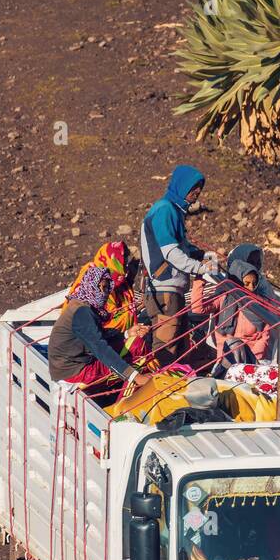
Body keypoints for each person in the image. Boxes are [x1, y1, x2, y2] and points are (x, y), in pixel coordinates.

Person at [139, 165, 220, 365]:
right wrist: (202, 268)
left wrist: (203, 254)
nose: (197, 192)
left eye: (200, 188)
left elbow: (180, 247)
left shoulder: (173, 210)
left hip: (170, 292)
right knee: (166, 350)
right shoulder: (165, 209)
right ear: (182, 186)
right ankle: (160, 392)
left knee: (181, 348)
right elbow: (171, 252)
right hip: (164, 291)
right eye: (194, 187)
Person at [47, 265, 145, 401]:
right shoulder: (82, 312)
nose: (102, 292)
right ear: (90, 285)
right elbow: (100, 348)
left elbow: (95, 337)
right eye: (99, 286)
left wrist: (126, 334)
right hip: (74, 373)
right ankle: (125, 402)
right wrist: (136, 376)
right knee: (137, 347)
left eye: (105, 288)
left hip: (68, 368)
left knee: (130, 343)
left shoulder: (80, 304)